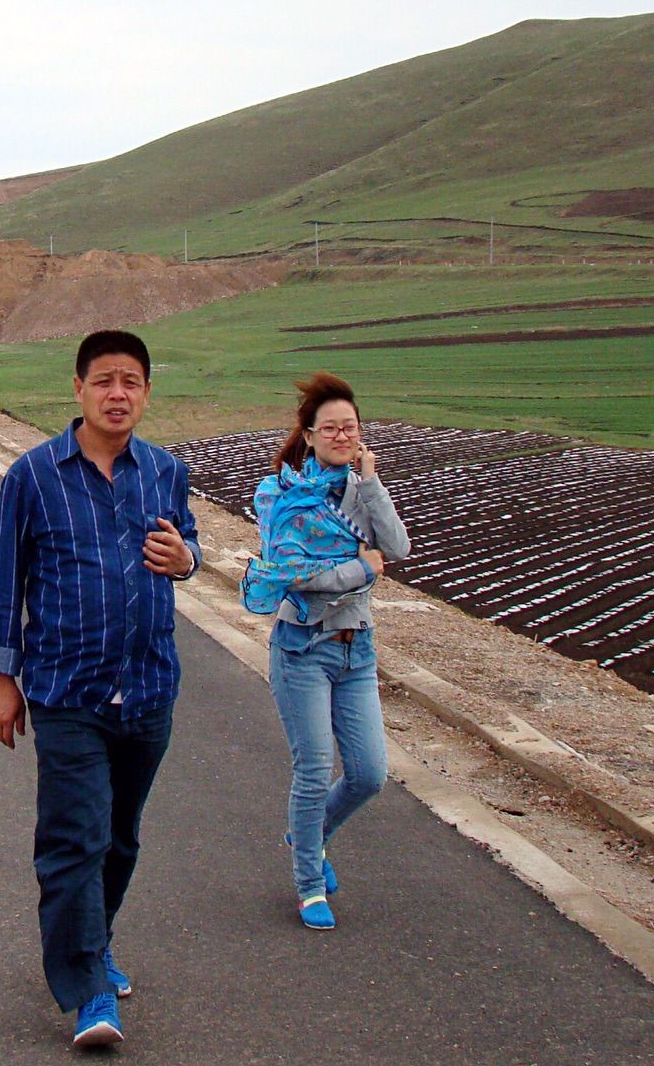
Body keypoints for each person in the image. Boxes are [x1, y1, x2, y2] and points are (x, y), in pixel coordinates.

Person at [0, 329, 202, 1050]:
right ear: (77, 389)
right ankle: (90, 993)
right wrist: (0, 681)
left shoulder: (166, 472)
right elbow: (4, 581)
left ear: (146, 392)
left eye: (131, 381)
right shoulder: (35, 476)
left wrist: (187, 558)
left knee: (120, 839)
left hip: (148, 687)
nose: (117, 393)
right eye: (103, 380)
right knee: (76, 839)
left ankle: (93, 942)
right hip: (65, 691)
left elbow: (186, 547)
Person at [250, 371, 410, 930]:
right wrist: (358, 569)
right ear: (310, 434)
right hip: (301, 650)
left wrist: (372, 485)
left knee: (368, 775)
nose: (342, 436)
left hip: (357, 650)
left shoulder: (360, 492)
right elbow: (293, 575)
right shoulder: (283, 494)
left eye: (351, 428)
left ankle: (309, 834)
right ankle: (308, 883)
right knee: (314, 770)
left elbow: (397, 547)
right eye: (331, 428)